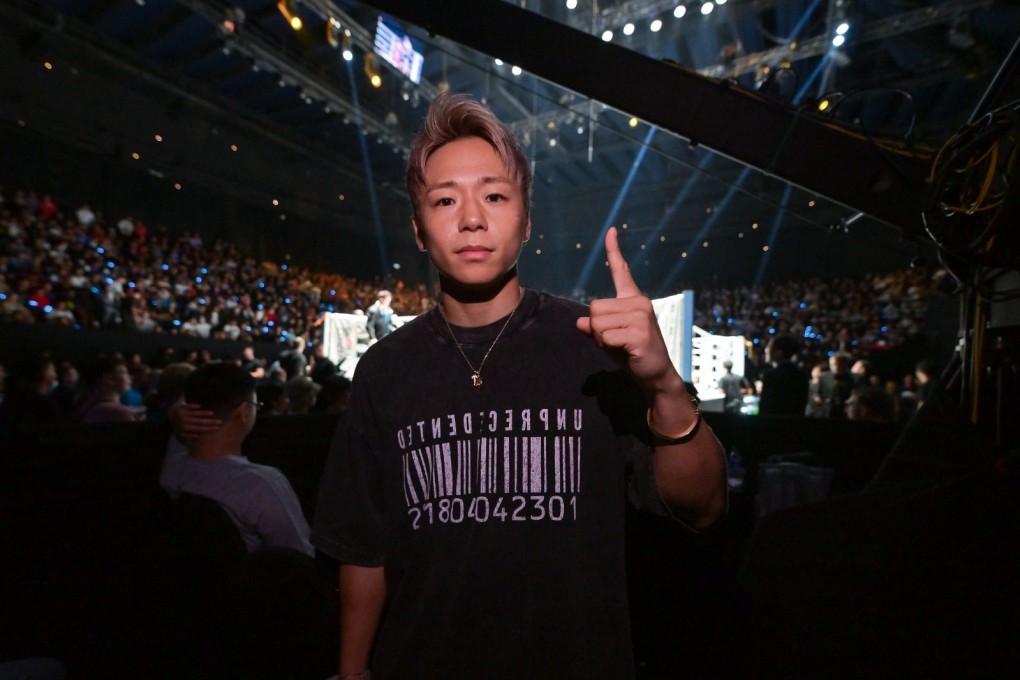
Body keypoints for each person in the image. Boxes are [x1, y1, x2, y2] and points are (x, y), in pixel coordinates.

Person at [311, 93, 727, 680]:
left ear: (526, 219)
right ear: (420, 230)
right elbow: (363, 550)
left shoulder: (592, 344)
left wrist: (663, 384)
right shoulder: (384, 370)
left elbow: (705, 506)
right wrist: (351, 674)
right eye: (446, 199)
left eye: (495, 195)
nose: (472, 218)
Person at [160, 361, 314, 556]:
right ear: (243, 412)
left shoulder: (173, 466)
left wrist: (176, 416)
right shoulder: (262, 484)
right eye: (256, 405)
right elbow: (299, 558)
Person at [757, 334, 808, 416]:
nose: (766, 350)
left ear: (779, 352)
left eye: (770, 347)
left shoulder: (772, 376)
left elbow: (766, 409)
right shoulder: (801, 375)